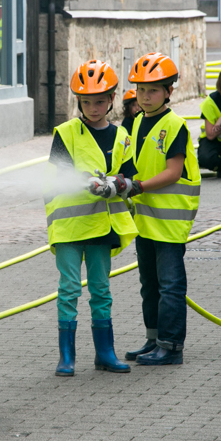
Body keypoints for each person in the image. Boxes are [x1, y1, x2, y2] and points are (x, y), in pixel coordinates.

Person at [43, 60, 139, 377]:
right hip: (70, 226)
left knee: (101, 290)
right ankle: (66, 358)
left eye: (100, 101)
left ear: (111, 99)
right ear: (78, 102)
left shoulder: (122, 136)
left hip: (102, 227)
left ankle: (105, 354)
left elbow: (132, 179)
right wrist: (84, 179)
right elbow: (56, 176)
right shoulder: (66, 133)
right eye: (86, 102)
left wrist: (119, 184)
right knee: (69, 289)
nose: (93, 107)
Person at [122, 53, 201, 366]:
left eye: (153, 90)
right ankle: (153, 339)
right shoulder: (138, 121)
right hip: (145, 221)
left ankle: (171, 347)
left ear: (169, 91)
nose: (145, 96)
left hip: (169, 223)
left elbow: (172, 172)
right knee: (149, 285)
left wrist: (137, 186)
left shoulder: (174, 125)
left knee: (170, 286)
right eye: (141, 90)